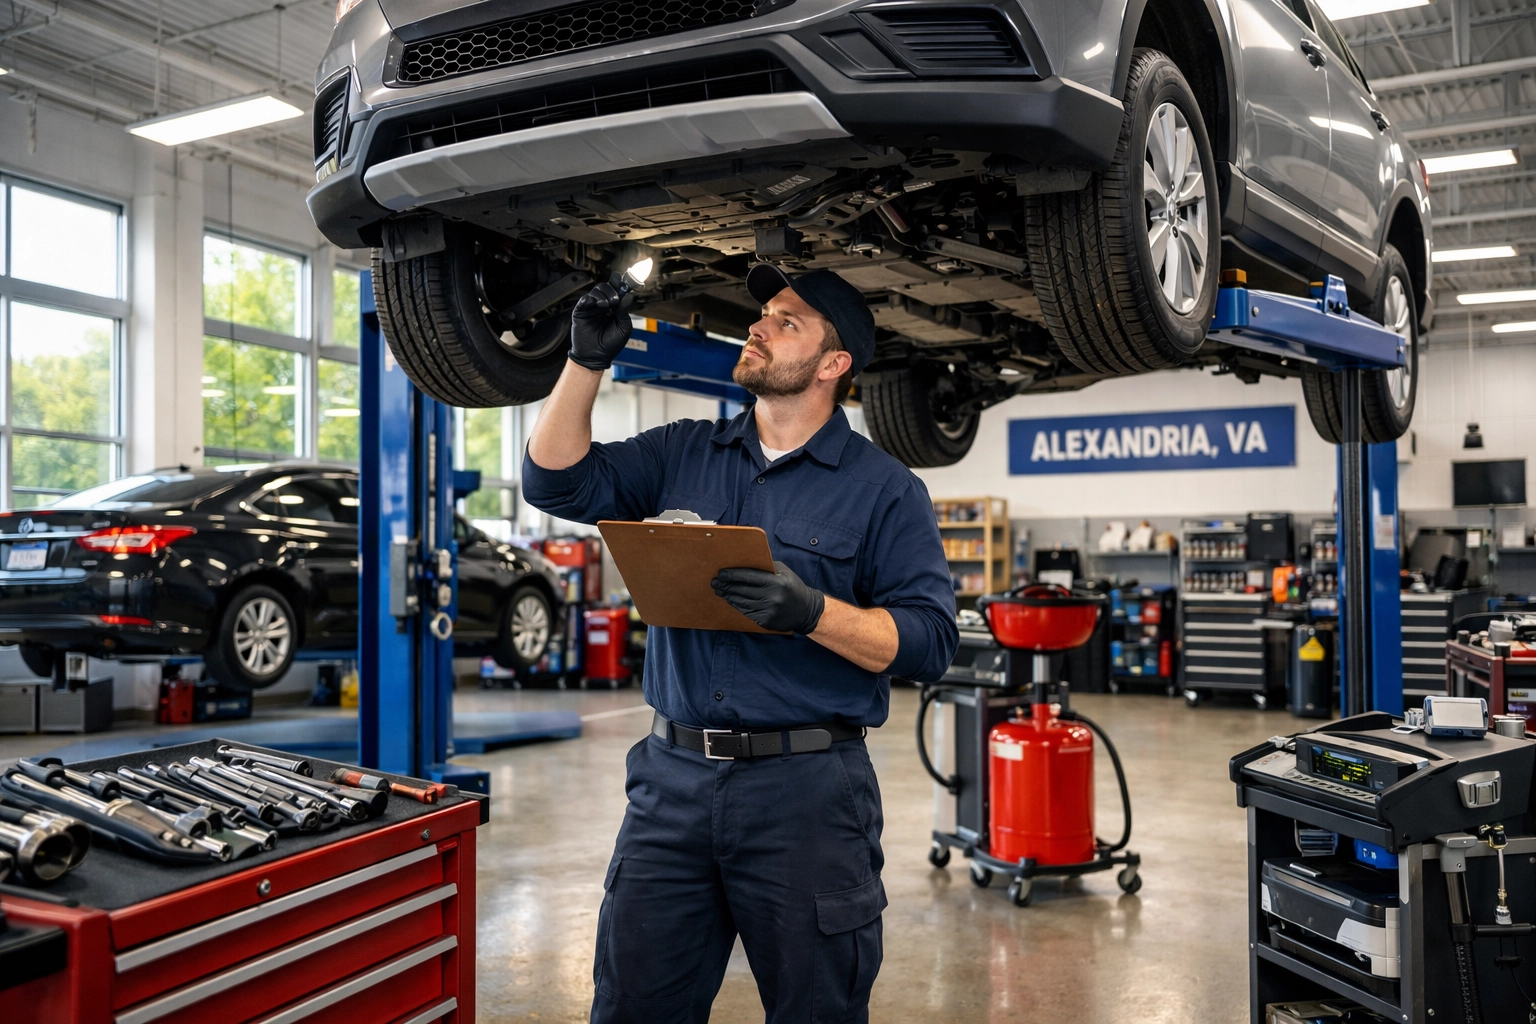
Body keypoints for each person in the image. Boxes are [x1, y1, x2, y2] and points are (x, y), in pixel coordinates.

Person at [522, 262, 958, 1024]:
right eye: (763, 314)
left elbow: (929, 640)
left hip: (809, 797)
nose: (757, 324)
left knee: (815, 1009)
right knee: (633, 1006)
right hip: (670, 785)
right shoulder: (683, 452)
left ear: (833, 364)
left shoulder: (887, 490)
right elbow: (553, 482)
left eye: (787, 321)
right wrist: (585, 361)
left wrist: (811, 612)